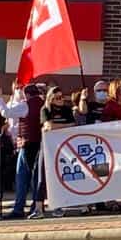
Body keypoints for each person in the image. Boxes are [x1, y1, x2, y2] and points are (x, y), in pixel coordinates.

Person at [0, 83, 43, 219]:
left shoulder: (26, 105)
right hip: (39, 143)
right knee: (35, 178)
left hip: (27, 144)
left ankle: (19, 208)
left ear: (26, 94)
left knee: (22, 177)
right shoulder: (42, 104)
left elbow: (6, 113)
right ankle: (35, 205)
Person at [32, 86, 76, 218]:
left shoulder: (67, 110)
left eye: (62, 97)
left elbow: (73, 125)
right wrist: (63, 126)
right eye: (57, 98)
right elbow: (48, 126)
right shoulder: (45, 109)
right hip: (46, 147)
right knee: (42, 177)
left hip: (62, 148)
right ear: (51, 99)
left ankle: (58, 206)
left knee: (59, 176)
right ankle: (38, 208)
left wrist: (58, 127)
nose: (60, 100)